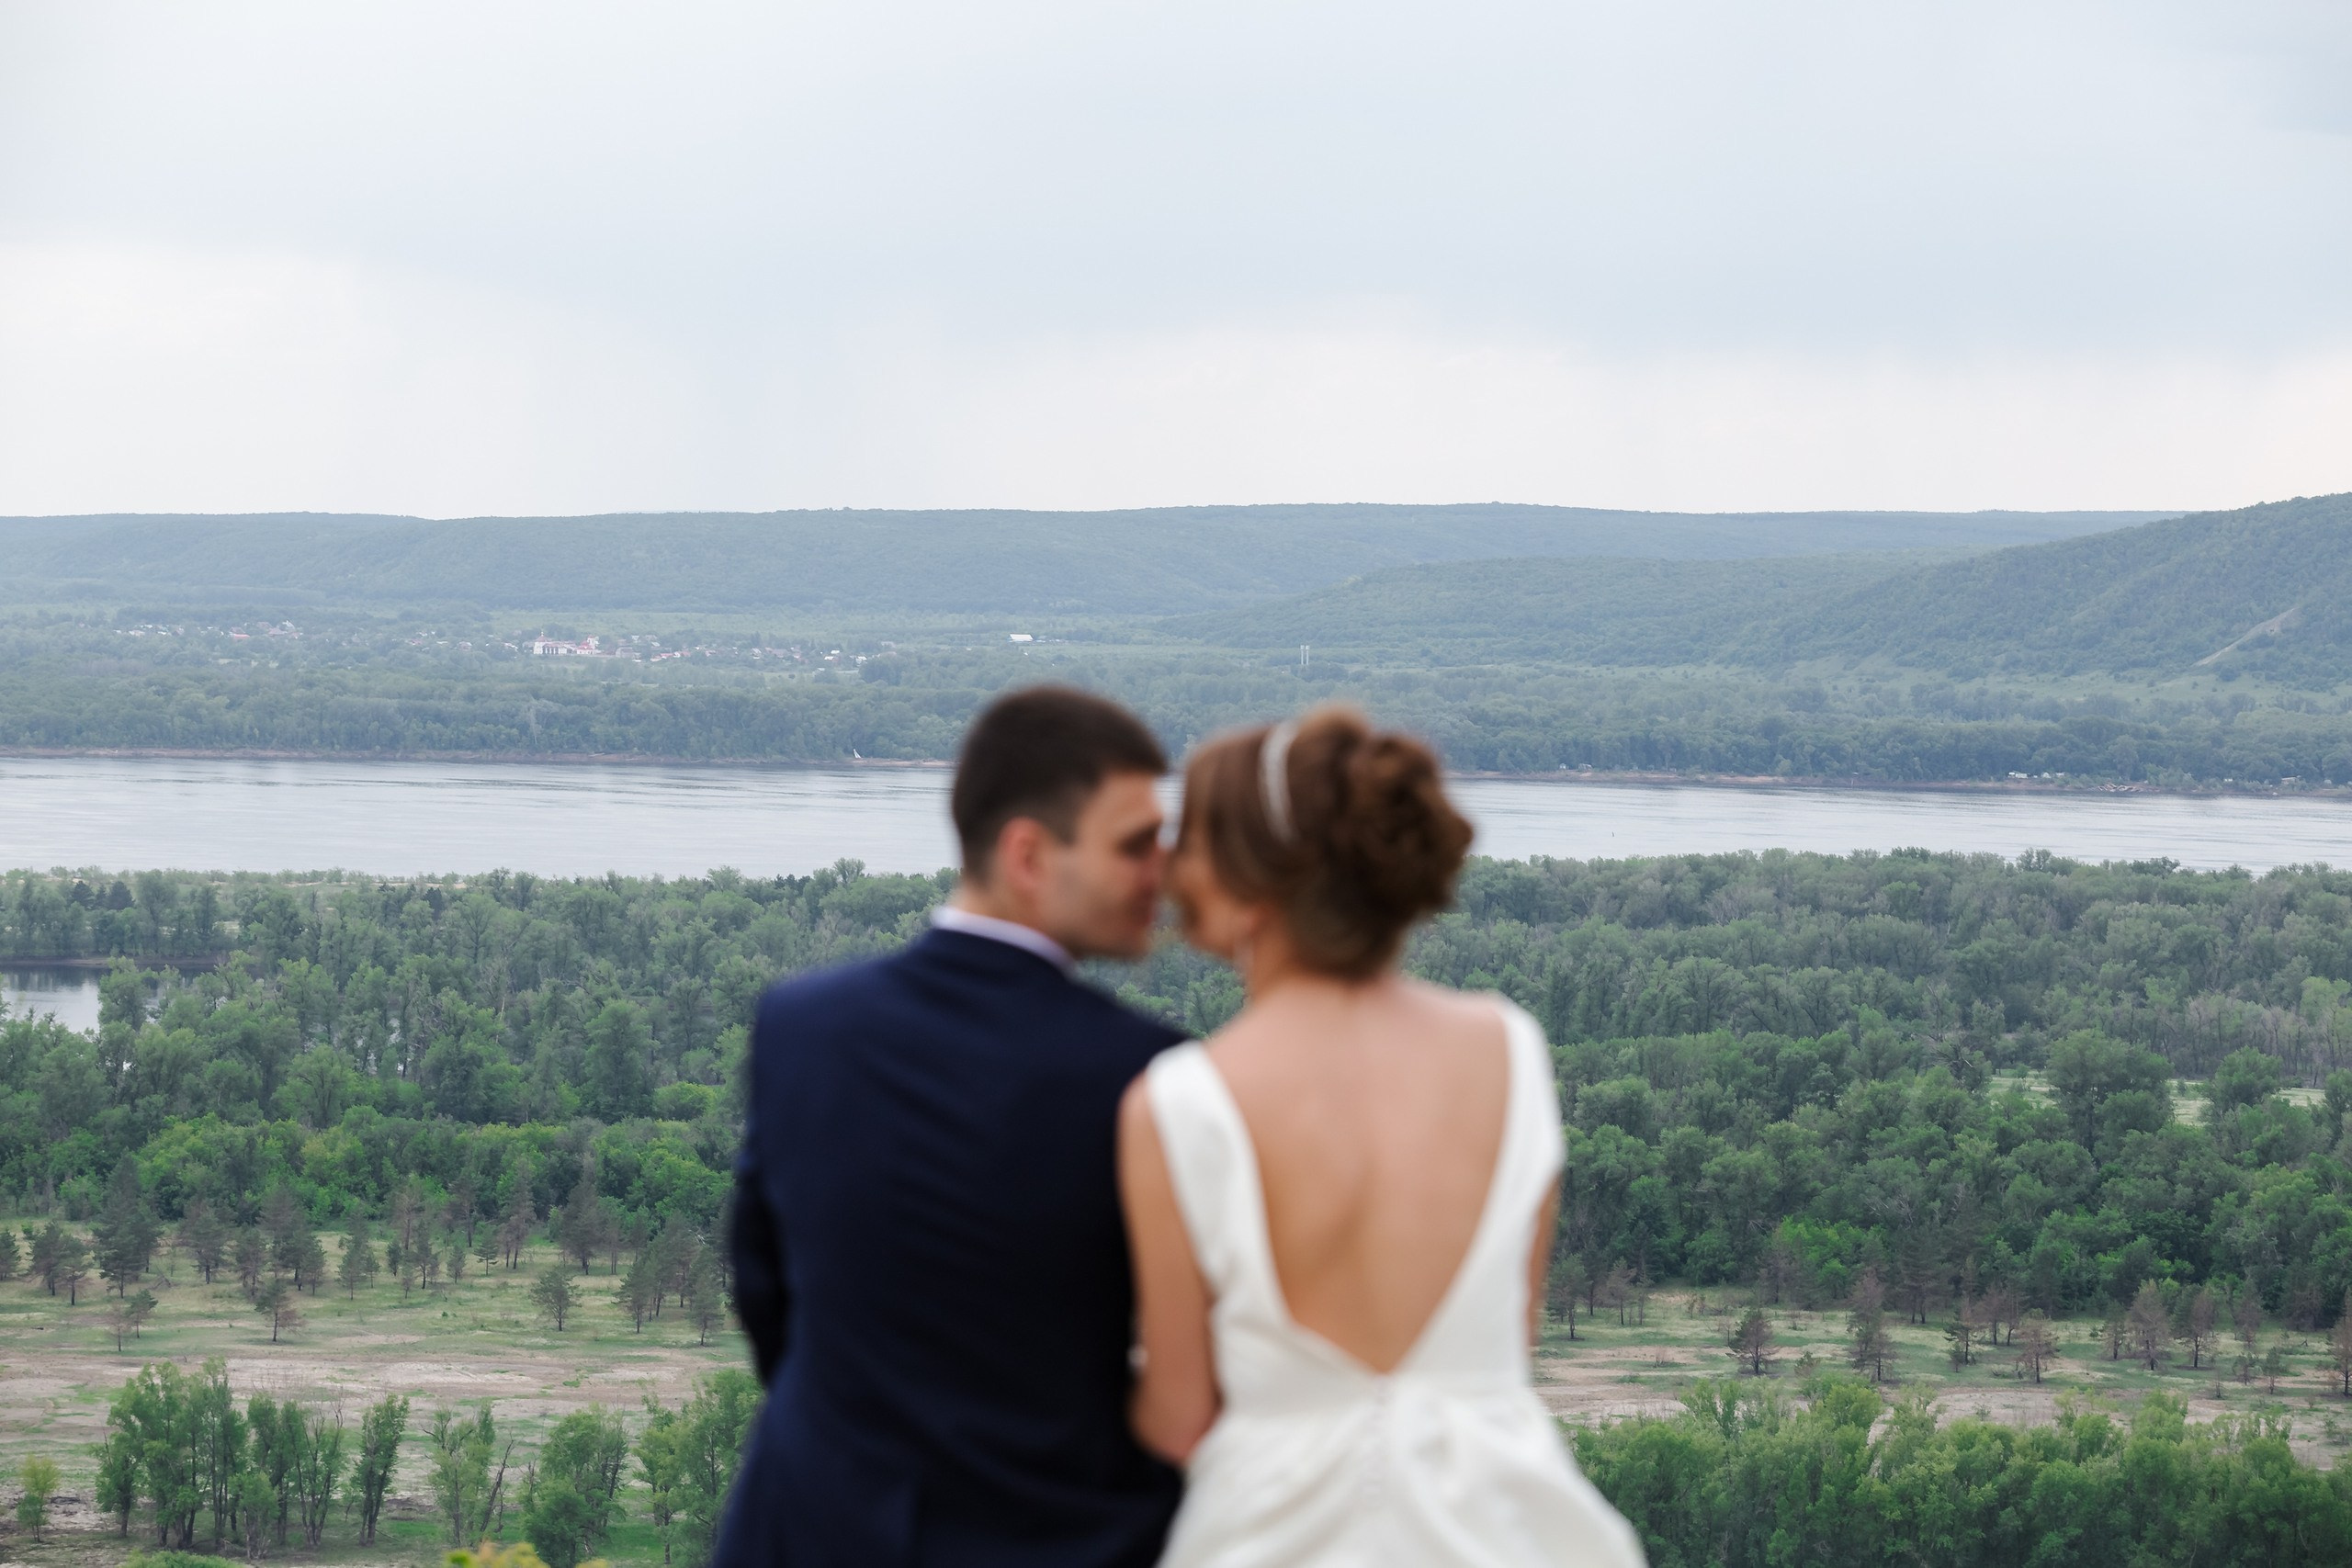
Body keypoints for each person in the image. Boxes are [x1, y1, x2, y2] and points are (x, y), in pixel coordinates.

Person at [1117, 707, 1646, 1568]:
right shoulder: (1510, 1049)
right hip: (1506, 1528)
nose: (1171, 866)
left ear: (1263, 876)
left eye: (1196, 838)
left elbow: (1178, 1418)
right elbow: (1513, 1335)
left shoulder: (1182, 1099)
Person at [717, 686, 1186, 1568]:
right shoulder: (1152, 1074)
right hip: (1062, 1539)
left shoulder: (801, 1025)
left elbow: (765, 1288)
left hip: (810, 1527)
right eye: (1135, 843)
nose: (1162, 871)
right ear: (1028, 854)